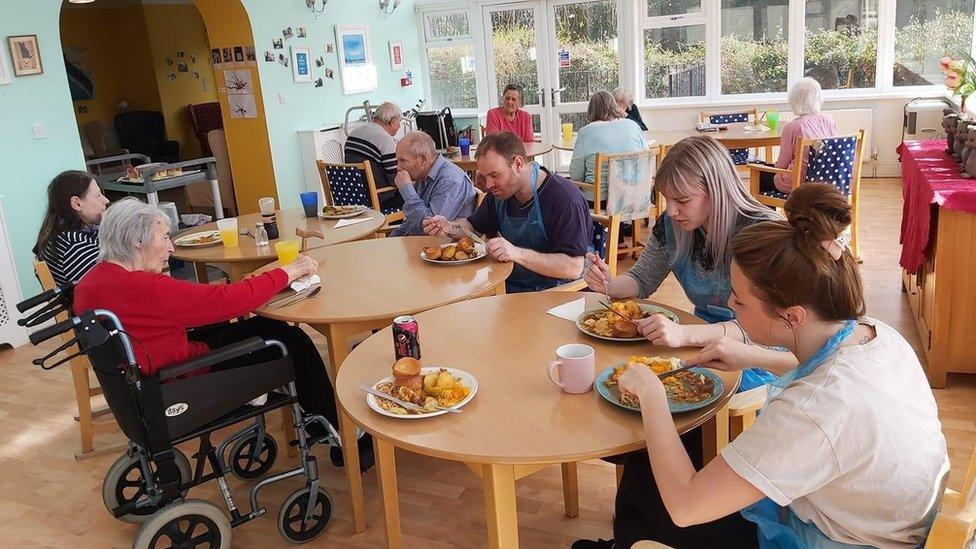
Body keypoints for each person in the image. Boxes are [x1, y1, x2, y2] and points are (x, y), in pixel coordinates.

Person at [575, 184, 948, 549]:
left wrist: (653, 393)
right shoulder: (875, 333)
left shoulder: (811, 411)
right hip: (884, 515)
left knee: (653, 492)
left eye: (739, 302)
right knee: (661, 460)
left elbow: (687, 507)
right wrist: (751, 355)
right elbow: (821, 370)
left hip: (838, 536)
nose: (731, 308)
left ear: (792, 316)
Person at [73, 198, 374, 471]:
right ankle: (342, 439)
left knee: (265, 328)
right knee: (291, 341)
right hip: (182, 380)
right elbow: (226, 302)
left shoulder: (90, 284)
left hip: (149, 378)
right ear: (137, 242)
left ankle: (317, 421)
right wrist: (288, 272)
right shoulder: (147, 288)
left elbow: (202, 304)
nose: (171, 247)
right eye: (164, 237)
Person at [585, 135, 791, 390]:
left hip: (760, 356)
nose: (671, 211)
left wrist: (684, 334)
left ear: (717, 191)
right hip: (701, 340)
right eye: (666, 199)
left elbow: (765, 327)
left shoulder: (762, 232)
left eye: (682, 200)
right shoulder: (672, 224)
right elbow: (641, 280)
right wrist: (608, 284)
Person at [422, 131, 590, 293]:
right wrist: (449, 226)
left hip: (559, 294)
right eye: (485, 176)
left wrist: (517, 254)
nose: (488, 185)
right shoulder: (501, 194)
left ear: (518, 164)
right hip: (510, 286)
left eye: (495, 175)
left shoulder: (565, 199)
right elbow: (473, 226)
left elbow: (573, 267)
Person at [760, 77, 837, 195]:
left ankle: (770, 214)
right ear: (819, 99)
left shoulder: (792, 127)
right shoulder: (829, 119)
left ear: (793, 101)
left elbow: (782, 164)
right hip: (826, 180)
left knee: (761, 174)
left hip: (799, 183)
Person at [391, 131, 476, 236]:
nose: (398, 167)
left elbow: (431, 227)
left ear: (423, 159)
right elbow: (411, 223)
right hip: (414, 242)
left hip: (439, 247)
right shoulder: (422, 176)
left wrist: (407, 190)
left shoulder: (450, 179)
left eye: (403, 161)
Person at [33, 170, 110, 286]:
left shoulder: (63, 230)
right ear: (77, 203)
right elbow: (114, 284)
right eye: (98, 195)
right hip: (95, 301)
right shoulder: (75, 247)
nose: (106, 200)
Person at [569, 90, 647, 204]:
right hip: (633, 196)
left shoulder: (586, 132)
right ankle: (622, 221)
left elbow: (576, 175)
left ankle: (594, 222)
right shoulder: (633, 125)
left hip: (599, 200)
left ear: (591, 109)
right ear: (614, 106)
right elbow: (645, 160)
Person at [344, 101, 404, 211]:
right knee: (417, 194)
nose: (399, 126)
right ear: (393, 121)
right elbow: (395, 178)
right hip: (378, 200)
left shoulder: (352, 134)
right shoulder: (385, 139)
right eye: (399, 123)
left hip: (352, 198)